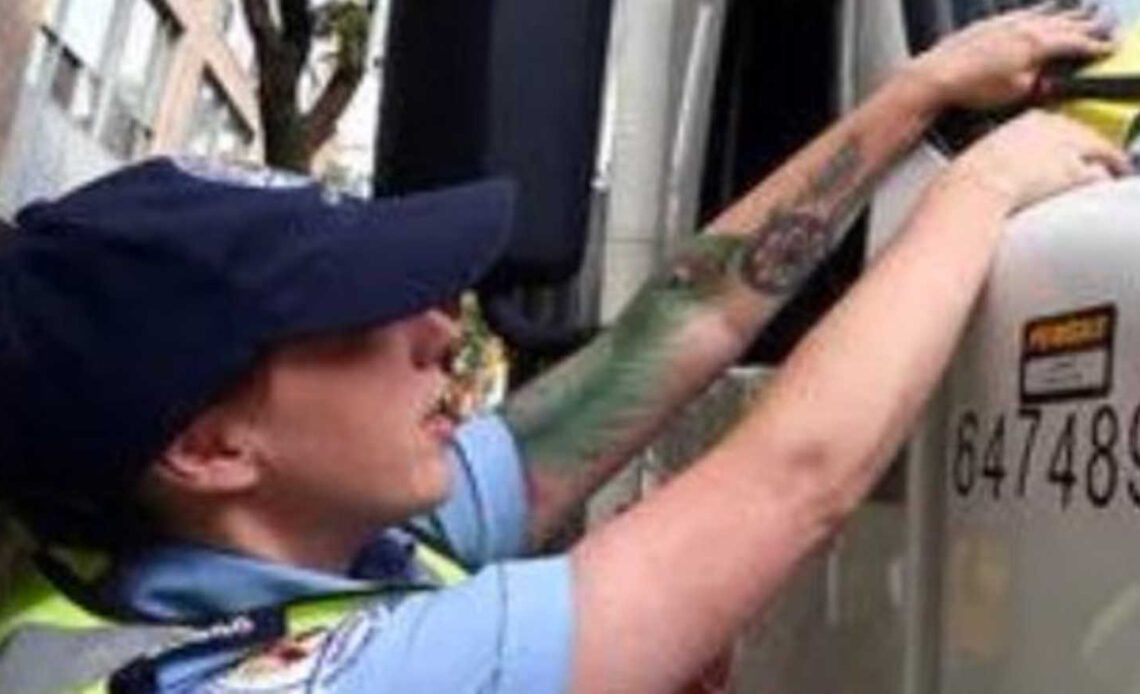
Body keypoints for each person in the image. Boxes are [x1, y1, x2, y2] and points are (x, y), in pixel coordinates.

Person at [0, 6, 1128, 693]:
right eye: (358, 316)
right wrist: (981, 186)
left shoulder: (342, 543)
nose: (442, 328)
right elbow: (796, 476)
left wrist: (917, 93)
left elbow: (678, 322)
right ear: (207, 444)